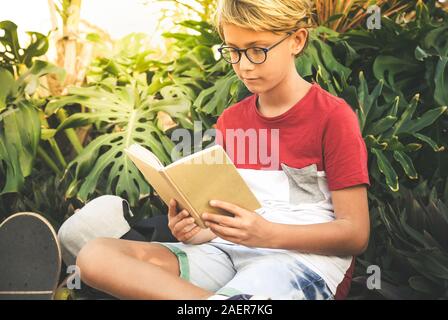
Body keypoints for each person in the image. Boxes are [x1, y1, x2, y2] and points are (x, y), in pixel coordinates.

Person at [58, 0, 370, 300]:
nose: (244, 65)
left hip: (298, 262)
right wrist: (192, 231)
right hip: (225, 252)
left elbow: (355, 235)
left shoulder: (332, 117)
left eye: (257, 51)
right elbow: (222, 220)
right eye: (233, 51)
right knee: (95, 256)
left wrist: (267, 234)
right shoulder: (231, 121)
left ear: (297, 40)